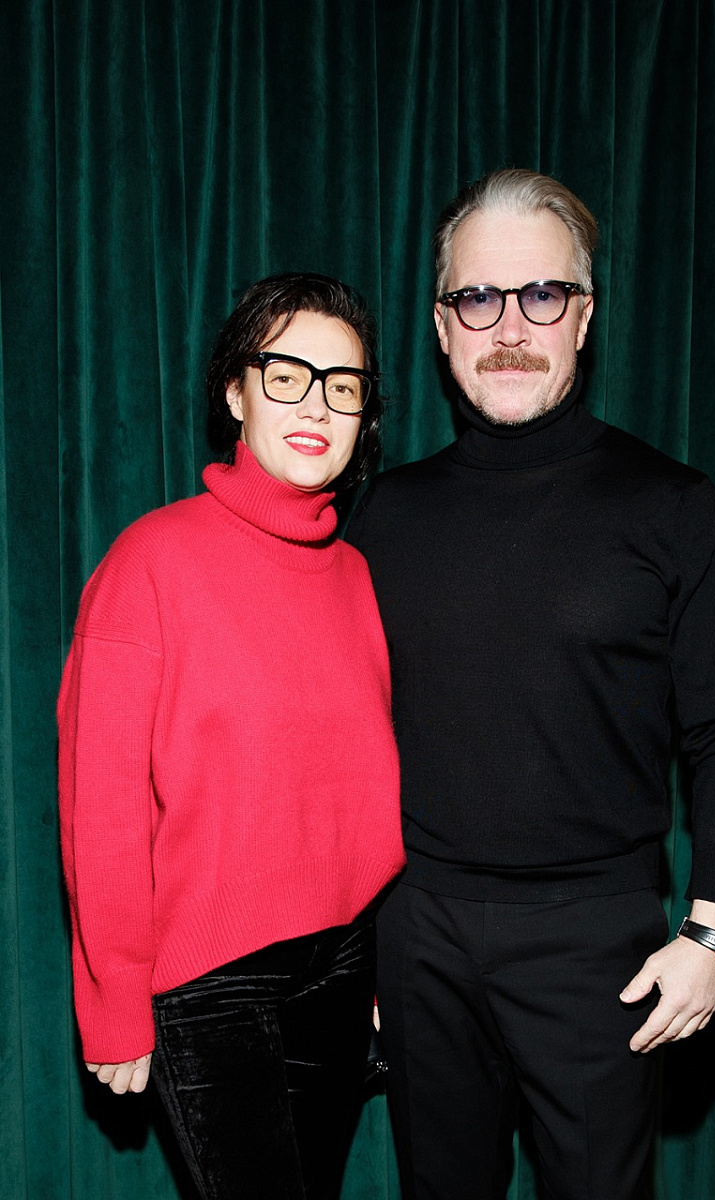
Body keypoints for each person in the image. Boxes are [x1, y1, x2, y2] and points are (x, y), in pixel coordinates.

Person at [346, 171, 715, 1200]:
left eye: (540, 295)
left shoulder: (674, 509)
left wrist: (710, 934)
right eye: (476, 298)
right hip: (415, 934)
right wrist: (354, 948)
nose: (509, 327)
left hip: (597, 941)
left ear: (583, 317)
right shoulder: (377, 518)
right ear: (441, 327)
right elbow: (331, 740)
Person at [58, 273, 405, 1200]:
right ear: (235, 392)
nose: (316, 406)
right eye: (286, 374)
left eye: (343, 385)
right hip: (211, 980)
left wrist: (382, 965)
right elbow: (102, 806)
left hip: (342, 966)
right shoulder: (149, 561)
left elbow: (361, 787)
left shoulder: (358, 577)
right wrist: (114, 998)